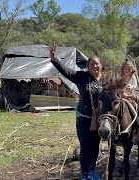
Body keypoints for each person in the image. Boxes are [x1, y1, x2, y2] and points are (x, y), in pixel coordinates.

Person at [49, 42, 101, 180]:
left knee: (95, 147)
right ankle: (84, 174)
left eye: (97, 64)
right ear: (88, 67)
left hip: (98, 120)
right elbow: (66, 71)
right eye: (92, 64)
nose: (95, 66)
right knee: (85, 147)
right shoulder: (81, 77)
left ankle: (92, 171)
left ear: (101, 66)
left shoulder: (104, 82)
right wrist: (54, 59)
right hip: (83, 119)